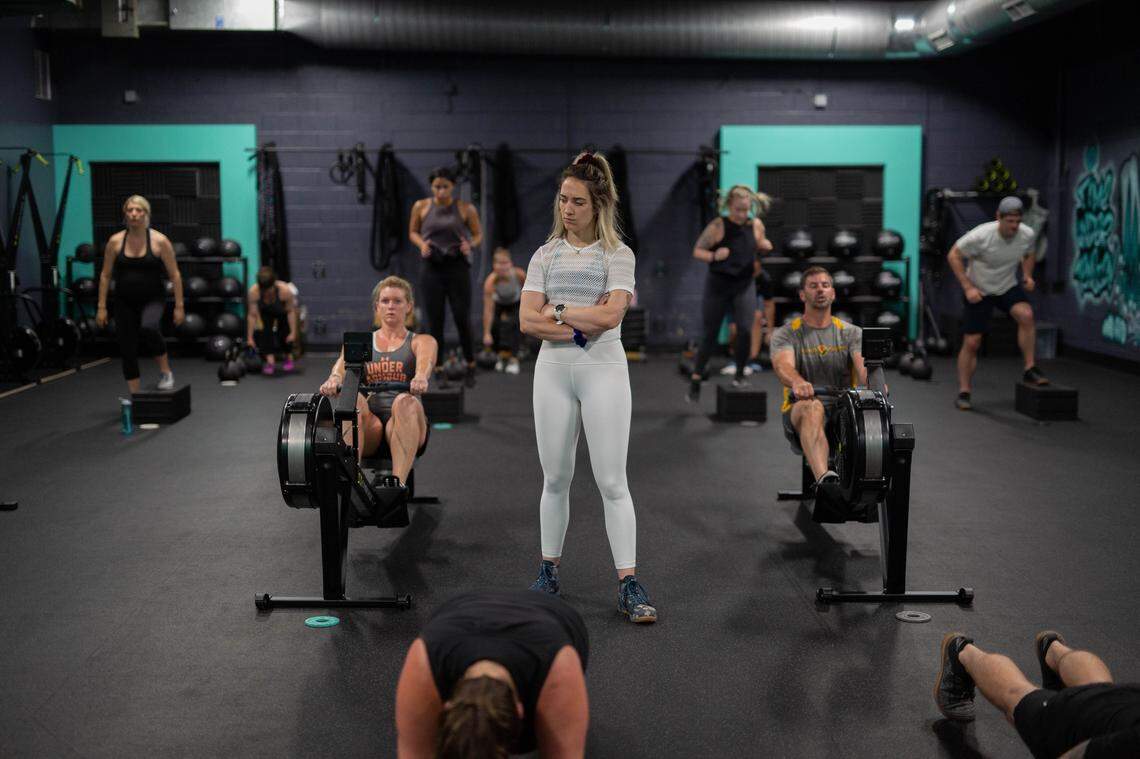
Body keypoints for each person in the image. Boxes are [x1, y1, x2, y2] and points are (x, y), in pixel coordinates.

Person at [519, 151, 656, 624]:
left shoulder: (619, 255)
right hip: (553, 372)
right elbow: (525, 321)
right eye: (562, 199)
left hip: (604, 371)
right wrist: (576, 319)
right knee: (555, 478)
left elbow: (612, 315)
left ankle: (629, 584)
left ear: (597, 205)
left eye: (577, 201)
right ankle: (548, 571)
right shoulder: (544, 255)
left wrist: (555, 310)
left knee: (611, 481)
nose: (567, 209)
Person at [395, 589, 589, 758]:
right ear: (446, 707)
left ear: (521, 712)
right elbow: (414, 752)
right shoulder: (425, 661)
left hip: (552, 614)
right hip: (463, 609)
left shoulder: (557, 666)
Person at [935, 630, 1140, 758]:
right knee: (1018, 695)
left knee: (1100, 691)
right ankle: (962, 653)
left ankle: (1053, 650)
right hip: (1115, 738)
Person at [318, 276, 436, 486]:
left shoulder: (420, 341)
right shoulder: (362, 342)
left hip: (406, 425)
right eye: (385, 301)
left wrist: (420, 377)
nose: (391, 306)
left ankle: (396, 489)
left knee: (404, 401)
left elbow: (425, 362)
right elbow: (340, 367)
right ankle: (353, 485)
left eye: (397, 301)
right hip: (370, 427)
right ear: (377, 306)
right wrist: (334, 380)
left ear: (408, 306)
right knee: (353, 401)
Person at [948, 195, 1050, 411]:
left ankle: (1030, 368)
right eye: (1009, 221)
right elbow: (954, 255)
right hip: (980, 289)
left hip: (1006, 286)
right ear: (998, 218)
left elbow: (1029, 253)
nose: (1014, 226)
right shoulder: (981, 235)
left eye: (1017, 221)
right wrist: (968, 287)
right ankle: (964, 391)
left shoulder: (1026, 234)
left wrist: (1028, 275)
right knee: (973, 342)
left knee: (1026, 315)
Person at [770, 266, 867, 488]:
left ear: (833, 293)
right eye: (813, 286)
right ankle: (826, 483)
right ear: (802, 295)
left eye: (825, 285)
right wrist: (797, 382)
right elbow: (783, 364)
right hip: (800, 407)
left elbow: (864, 368)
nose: (820, 290)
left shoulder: (851, 332)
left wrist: (874, 382)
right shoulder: (786, 333)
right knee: (813, 407)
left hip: (843, 408)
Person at [686, 185, 773, 402]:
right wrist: (715, 255)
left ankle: (740, 374)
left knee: (745, 329)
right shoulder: (718, 225)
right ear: (729, 206)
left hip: (744, 284)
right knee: (711, 333)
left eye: (746, 210)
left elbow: (761, 244)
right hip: (718, 284)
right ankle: (696, 379)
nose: (742, 214)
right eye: (738, 210)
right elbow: (698, 251)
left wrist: (765, 245)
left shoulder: (756, 225)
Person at [95, 195, 184, 394]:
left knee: (149, 327)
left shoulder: (160, 241)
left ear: (146, 213)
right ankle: (135, 397)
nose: (134, 214)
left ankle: (165, 371)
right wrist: (101, 307)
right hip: (124, 301)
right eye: (130, 210)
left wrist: (179, 306)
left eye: (139, 210)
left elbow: (175, 275)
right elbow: (105, 275)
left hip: (153, 298)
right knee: (127, 348)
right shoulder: (115, 242)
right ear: (125, 214)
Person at [409, 166, 483, 388]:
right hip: (431, 267)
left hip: (457, 267)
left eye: (445, 187)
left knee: (462, 317)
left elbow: (478, 234)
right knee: (434, 321)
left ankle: (470, 365)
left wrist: (470, 244)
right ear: (432, 186)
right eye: (436, 186)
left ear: (453, 187)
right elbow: (412, 232)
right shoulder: (421, 206)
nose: (440, 191)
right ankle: (438, 369)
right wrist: (422, 244)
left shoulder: (465, 208)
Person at [482, 247, 527, 374]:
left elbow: (528, 295)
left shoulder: (519, 275)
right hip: (500, 304)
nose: (502, 267)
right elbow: (488, 310)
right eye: (499, 263)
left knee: (515, 324)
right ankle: (500, 356)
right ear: (494, 265)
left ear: (510, 263)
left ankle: (514, 359)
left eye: (505, 263)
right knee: (495, 325)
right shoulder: (490, 282)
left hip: (516, 303)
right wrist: (486, 333)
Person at [246, 265, 298, 375]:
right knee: (265, 332)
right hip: (266, 313)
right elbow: (252, 315)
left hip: (282, 312)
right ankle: (270, 362)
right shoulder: (254, 292)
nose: (266, 293)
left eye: (269, 290)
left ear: (274, 283)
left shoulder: (284, 290)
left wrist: (293, 332)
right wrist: (250, 338)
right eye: (264, 290)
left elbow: (290, 312)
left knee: (285, 332)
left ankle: (288, 358)